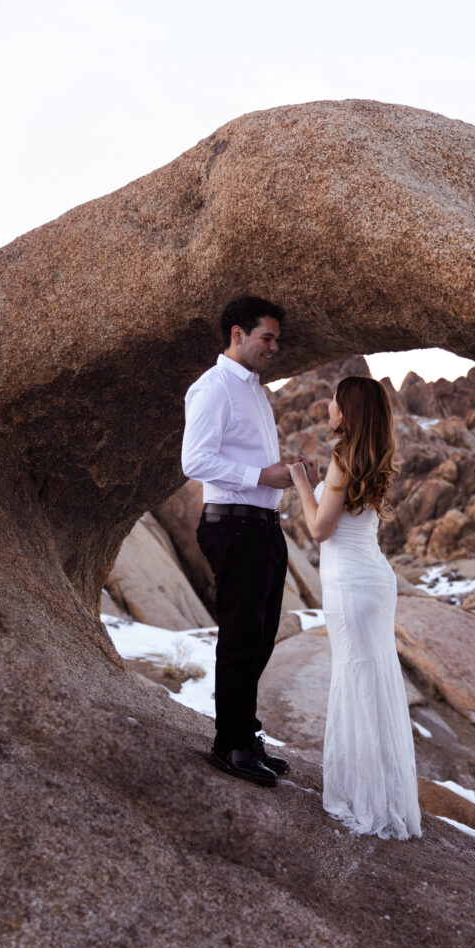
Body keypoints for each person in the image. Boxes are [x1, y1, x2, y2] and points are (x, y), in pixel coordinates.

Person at [290, 376, 422, 839]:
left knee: (356, 680)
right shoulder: (373, 455)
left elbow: (320, 529)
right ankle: (386, 795)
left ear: (347, 410)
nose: (328, 405)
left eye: (334, 399)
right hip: (376, 581)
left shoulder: (342, 457)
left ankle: (365, 798)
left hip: (349, 583)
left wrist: (301, 483)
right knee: (376, 682)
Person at [181, 295, 293, 787]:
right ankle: (229, 745)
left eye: (276, 339)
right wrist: (262, 473)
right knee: (242, 636)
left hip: (263, 525)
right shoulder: (213, 388)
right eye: (267, 337)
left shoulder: (255, 391)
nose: (274, 347)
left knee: (262, 635)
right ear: (237, 335)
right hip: (234, 524)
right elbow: (195, 461)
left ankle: (245, 733)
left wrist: (280, 475)